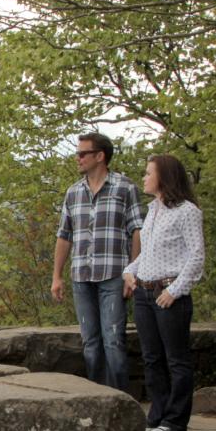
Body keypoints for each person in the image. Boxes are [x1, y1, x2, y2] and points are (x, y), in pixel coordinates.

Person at [51, 133, 143, 392]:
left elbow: (137, 230)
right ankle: (98, 401)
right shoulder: (73, 193)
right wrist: (56, 277)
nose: (77, 159)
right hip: (81, 276)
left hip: (114, 274)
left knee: (113, 340)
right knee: (90, 342)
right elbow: (64, 236)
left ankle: (121, 402)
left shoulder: (125, 188)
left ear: (100, 156)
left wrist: (132, 272)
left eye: (83, 154)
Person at [123, 154, 205, 431]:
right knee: (151, 358)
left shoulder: (187, 211)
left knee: (176, 359)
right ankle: (157, 415)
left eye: (148, 173)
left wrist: (174, 291)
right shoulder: (153, 210)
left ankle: (176, 419)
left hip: (168, 292)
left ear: (164, 177)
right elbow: (150, 253)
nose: (144, 177)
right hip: (144, 292)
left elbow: (196, 257)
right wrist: (130, 270)